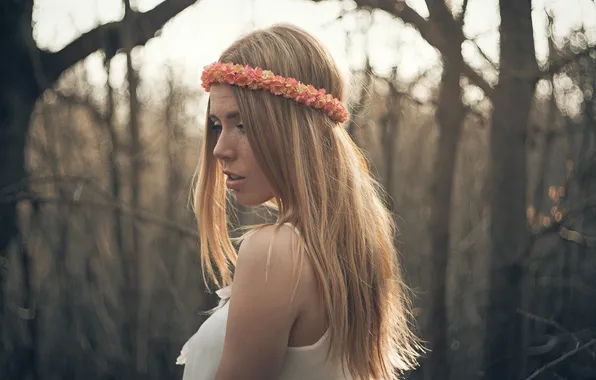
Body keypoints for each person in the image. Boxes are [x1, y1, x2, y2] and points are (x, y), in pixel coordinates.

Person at [177, 23, 421, 380]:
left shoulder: (276, 251)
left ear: (290, 129)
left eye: (241, 125)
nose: (219, 149)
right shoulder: (343, 247)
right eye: (217, 125)